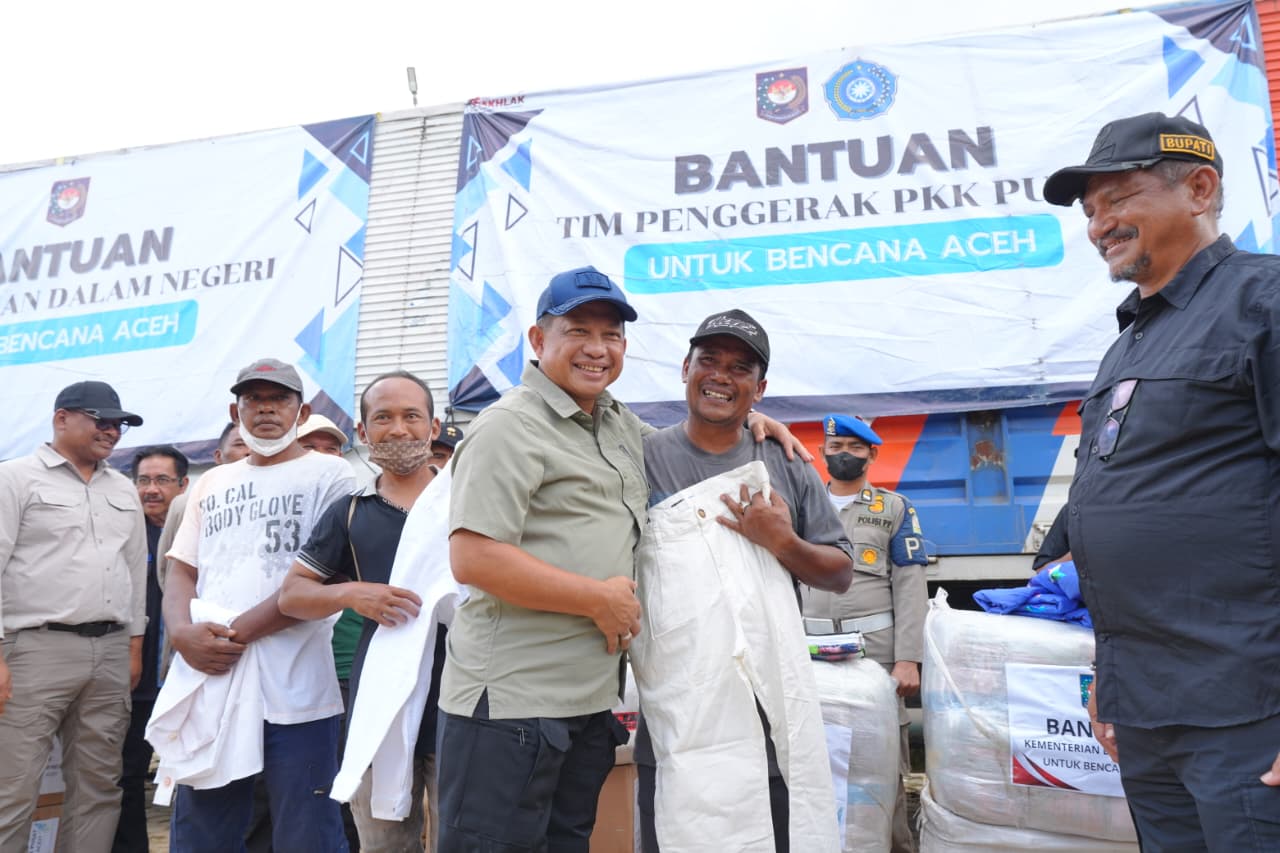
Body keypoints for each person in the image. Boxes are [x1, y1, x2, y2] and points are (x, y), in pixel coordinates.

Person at [1043, 111, 1280, 849]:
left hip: (1248, 710)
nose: (1098, 226)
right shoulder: (1128, 345)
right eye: (1090, 212)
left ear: (1199, 189)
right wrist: (1112, 689)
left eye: (1118, 199)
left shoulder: (1263, 302)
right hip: (1147, 713)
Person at [635, 310, 854, 853]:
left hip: (767, 719)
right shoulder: (640, 458)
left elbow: (840, 572)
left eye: (740, 368)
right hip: (681, 712)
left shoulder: (785, 462)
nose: (720, 376)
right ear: (685, 368)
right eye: (708, 361)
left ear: (760, 388)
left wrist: (782, 541)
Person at [159, 358, 355, 852]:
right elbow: (182, 569)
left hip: (298, 682)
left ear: (302, 412)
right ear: (236, 411)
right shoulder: (212, 482)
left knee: (307, 830)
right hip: (215, 675)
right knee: (204, 826)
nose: (266, 409)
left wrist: (237, 633)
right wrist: (181, 634)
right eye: (253, 399)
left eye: (279, 399)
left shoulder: (332, 475)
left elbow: (334, 572)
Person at [279, 370, 446, 853]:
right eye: (383, 418)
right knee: (384, 842)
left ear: (433, 427)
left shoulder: (465, 500)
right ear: (362, 431)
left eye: (412, 416)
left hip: (460, 696)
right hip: (379, 698)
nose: (398, 429)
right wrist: (352, 594)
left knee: (463, 837)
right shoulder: (350, 511)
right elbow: (292, 594)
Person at [0, 381, 147, 853]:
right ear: (61, 418)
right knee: (12, 787)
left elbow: (134, 573)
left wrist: (133, 648)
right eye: (101, 420)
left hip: (111, 651)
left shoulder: (122, 488)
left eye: (119, 424)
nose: (112, 432)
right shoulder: (14, 479)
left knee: (99, 787)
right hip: (33, 650)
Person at [801, 414, 927, 853]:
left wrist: (908, 659)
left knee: (884, 762)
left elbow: (910, 586)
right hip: (809, 655)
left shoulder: (894, 508)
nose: (845, 455)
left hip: (874, 658)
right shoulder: (801, 506)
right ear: (822, 453)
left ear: (872, 455)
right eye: (836, 447)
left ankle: (894, 845)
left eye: (855, 448)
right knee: (813, 759)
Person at [113, 445, 189, 853]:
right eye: (143, 480)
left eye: (162, 480)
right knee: (125, 775)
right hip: (135, 679)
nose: (151, 490)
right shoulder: (123, 533)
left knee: (195, 775)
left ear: (183, 485)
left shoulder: (196, 530)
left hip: (187, 675)